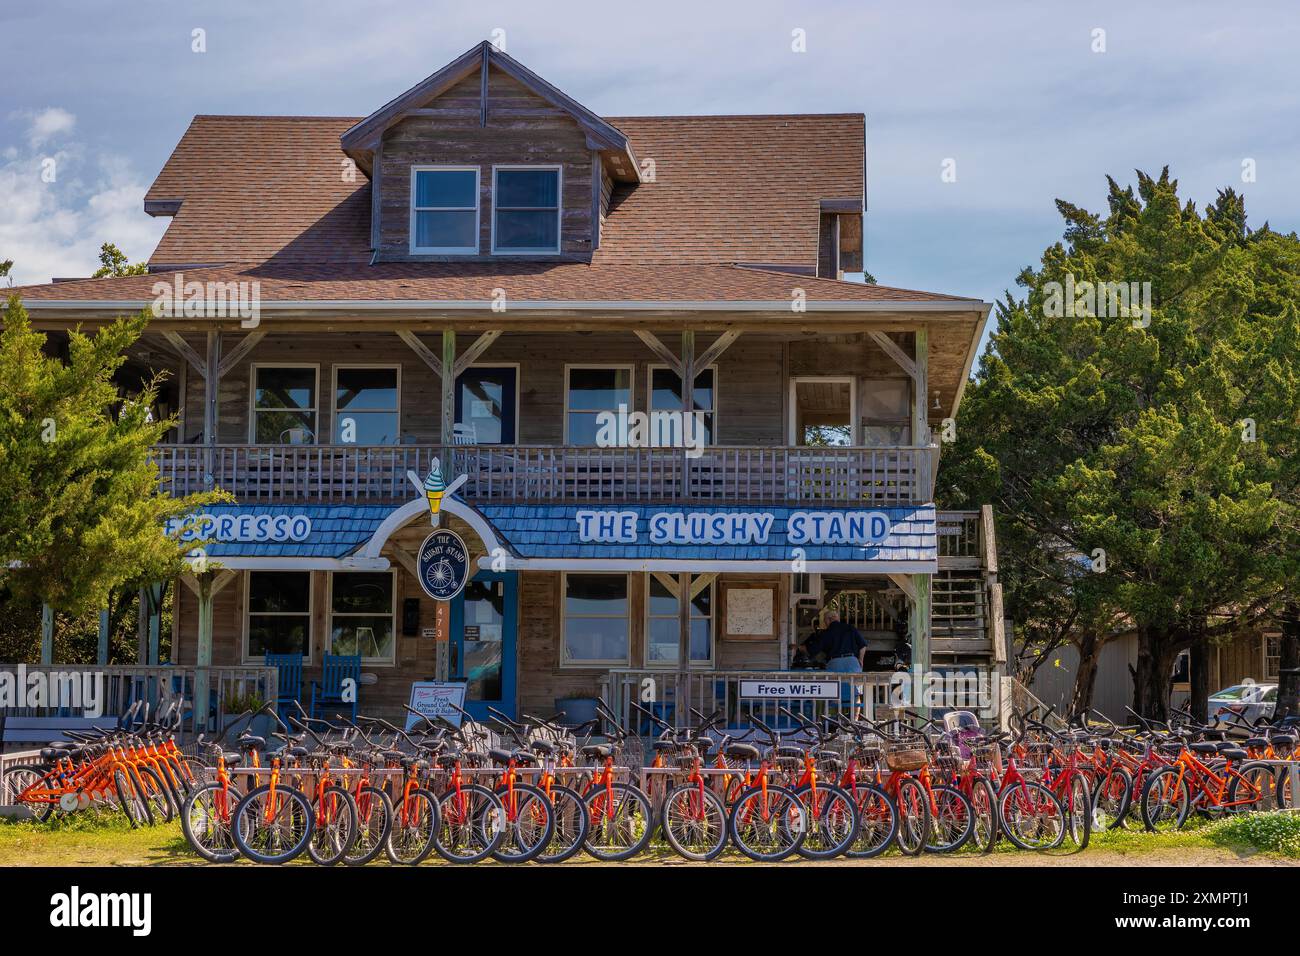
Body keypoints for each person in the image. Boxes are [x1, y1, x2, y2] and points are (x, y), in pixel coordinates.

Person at [803, 609, 867, 673]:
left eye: (825, 620)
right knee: (853, 682)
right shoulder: (850, 628)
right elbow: (863, 645)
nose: (825, 623)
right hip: (852, 662)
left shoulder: (825, 633)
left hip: (835, 663)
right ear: (837, 618)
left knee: (836, 682)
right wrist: (861, 660)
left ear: (829, 619)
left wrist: (801, 648)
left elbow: (813, 650)